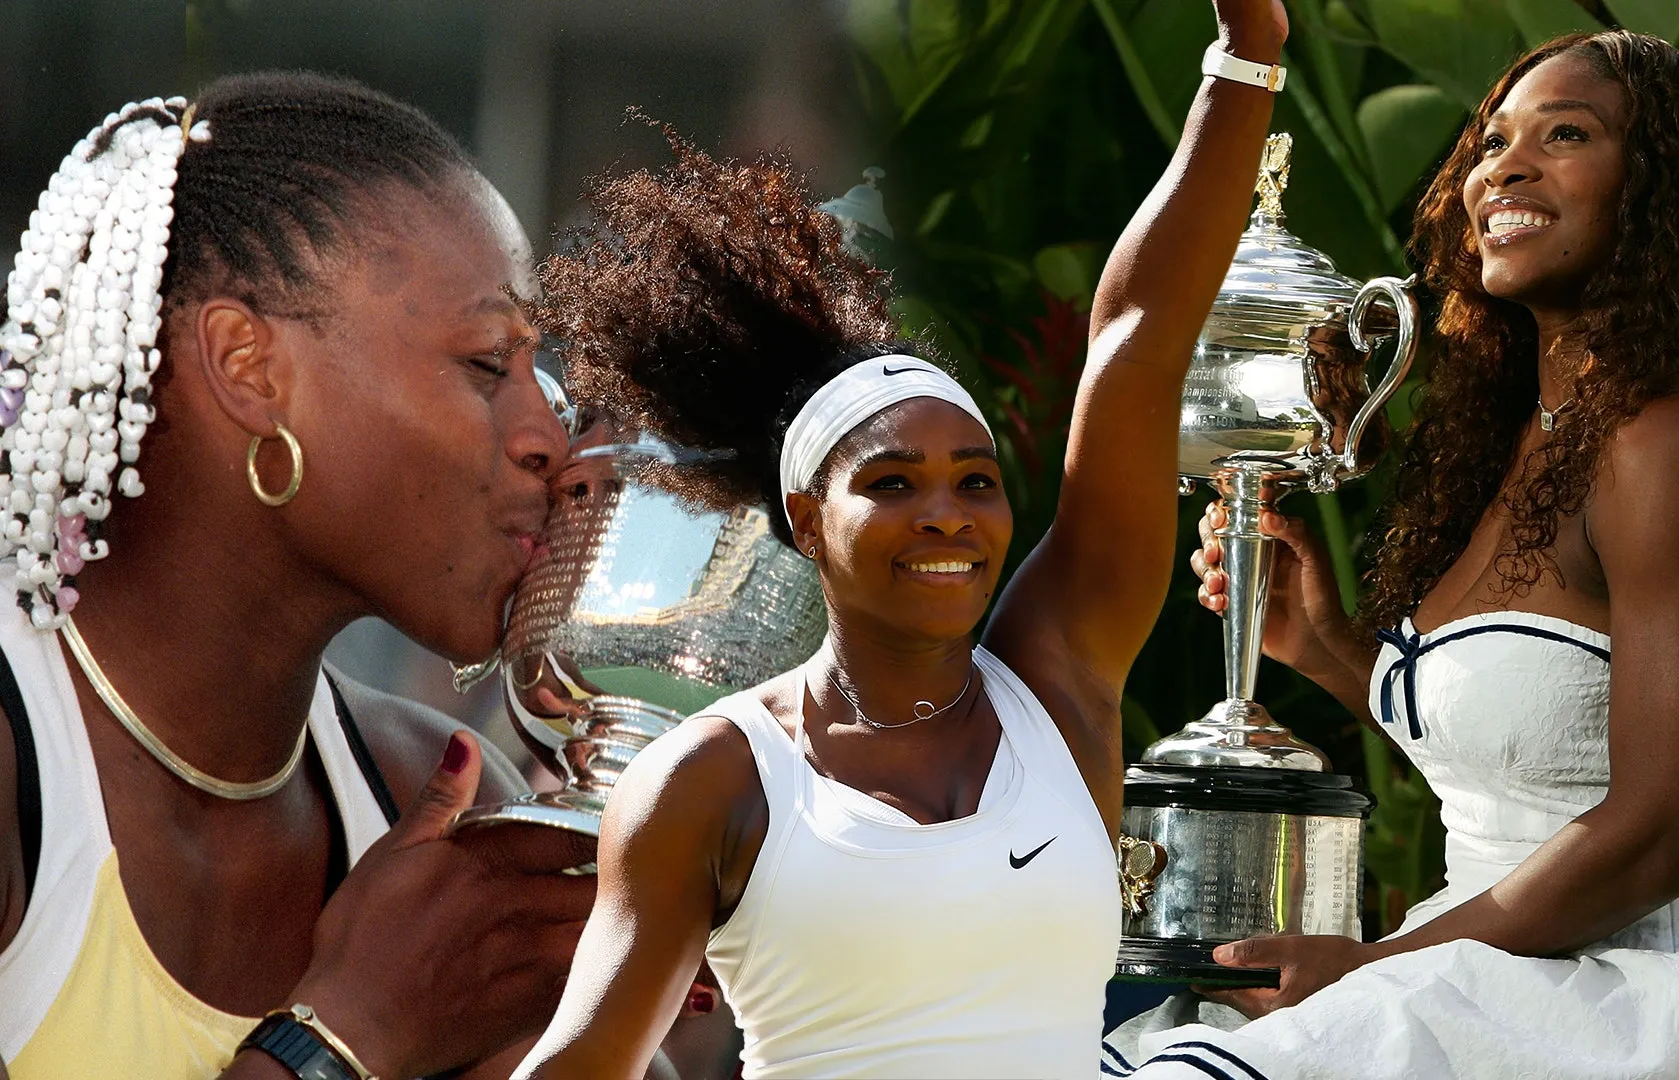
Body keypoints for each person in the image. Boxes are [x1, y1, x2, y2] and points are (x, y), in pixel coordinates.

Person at [509, 2, 1289, 1076]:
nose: (947, 515)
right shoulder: (715, 778)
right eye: (892, 482)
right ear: (803, 522)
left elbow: (1139, 338)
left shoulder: (1057, 689)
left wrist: (1246, 56)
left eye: (976, 481)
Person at [1105, 29, 1679, 1079]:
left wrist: (1379, 962)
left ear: (1662, 191)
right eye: (1492, 142)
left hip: (1647, 991)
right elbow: (1524, 761)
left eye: (1567, 135)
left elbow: (1665, 832)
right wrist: (1325, 648)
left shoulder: (1672, 439)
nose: (1505, 166)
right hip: (1496, 965)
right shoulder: (1521, 433)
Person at [0, 73, 598, 1079]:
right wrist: (342, 1039)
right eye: (490, 364)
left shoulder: (423, 798)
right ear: (248, 366)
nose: (549, 437)